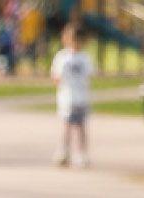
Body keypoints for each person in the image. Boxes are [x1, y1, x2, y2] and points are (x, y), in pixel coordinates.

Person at [50, 21, 95, 168]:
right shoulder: (62, 57)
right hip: (67, 98)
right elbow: (56, 77)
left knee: (80, 127)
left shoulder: (85, 58)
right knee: (66, 127)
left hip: (81, 98)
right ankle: (64, 152)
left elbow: (89, 75)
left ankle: (81, 154)